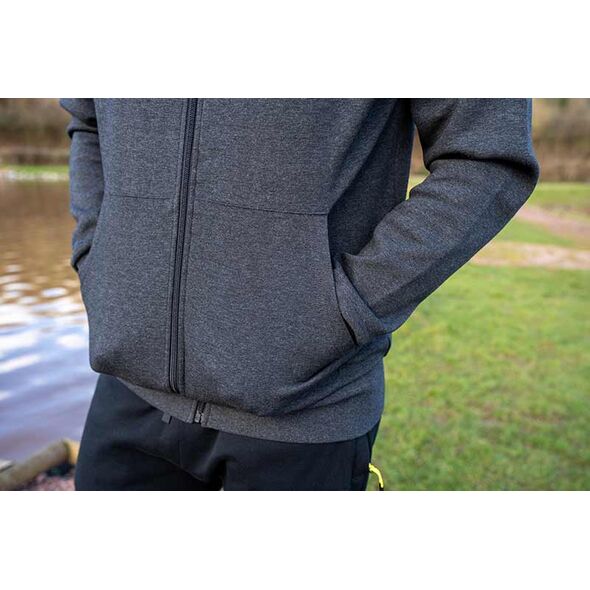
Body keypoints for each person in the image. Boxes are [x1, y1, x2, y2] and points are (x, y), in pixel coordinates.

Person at [61, 99, 539, 490]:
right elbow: (88, 121)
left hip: (307, 409)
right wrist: (96, 259)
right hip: (128, 389)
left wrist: (341, 311)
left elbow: (487, 156)